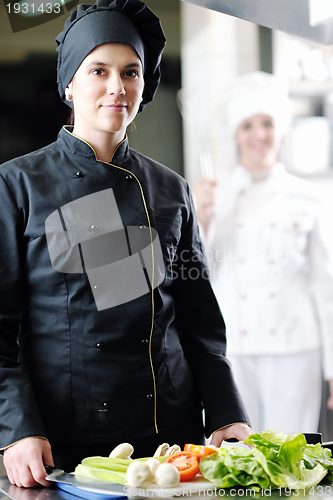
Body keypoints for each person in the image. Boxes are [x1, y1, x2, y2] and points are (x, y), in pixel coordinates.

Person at [0, 0, 252, 489]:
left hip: (169, 446)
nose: (117, 87)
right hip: (62, 447)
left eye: (130, 72)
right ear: (70, 83)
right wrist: (15, 430)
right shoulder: (17, 186)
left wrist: (226, 413)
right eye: (99, 70)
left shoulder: (168, 188)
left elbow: (200, 324)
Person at [194, 71, 333, 436]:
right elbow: (195, 276)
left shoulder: (309, 196)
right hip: (234, 347)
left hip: (296, 349)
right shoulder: (213, 195)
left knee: (293, 456)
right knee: (237, 460)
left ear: (282, 130)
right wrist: (203, 220)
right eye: (248, 126)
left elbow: (326, 287)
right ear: (235, 135)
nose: (259, 135)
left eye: (268, 123)